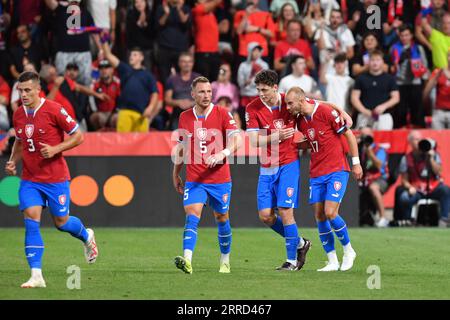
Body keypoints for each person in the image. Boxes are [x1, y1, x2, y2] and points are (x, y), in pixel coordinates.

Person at [4, 71, 98, 288]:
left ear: (38, 90)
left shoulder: (54, 109)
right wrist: (12, 161)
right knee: (31, 220)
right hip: (30, 178)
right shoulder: (18, 114)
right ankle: (36, 275)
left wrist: (56, 148)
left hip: (55, 178)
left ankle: (86, 235)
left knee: (62, 223)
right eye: (21, 90)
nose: (24, 94)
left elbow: (78, 136)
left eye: (28, 90)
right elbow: (19, 142)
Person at [285, 86, 362, 272]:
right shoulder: (300, 120)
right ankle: (332, 260)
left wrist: (356, 163)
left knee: (330, 212)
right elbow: (313, 141)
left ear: (301, 101)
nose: (288, 107)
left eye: (290, 103)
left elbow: (349, 135)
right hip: (316, 172)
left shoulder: (326, 112)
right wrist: (296, 145)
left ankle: (349, 250)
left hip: (337, 169)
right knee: (319, 216)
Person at [172, 76, 242, 274]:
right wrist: (176, 172)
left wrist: (222, 153)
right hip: (195, 179)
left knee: (221, 218)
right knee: (192, 215)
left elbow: (237, 140)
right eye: (202, 92)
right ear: (192, 94)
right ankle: (187, 260)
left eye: (209, 91)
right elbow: (182, 147)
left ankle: (225, 260)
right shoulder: (184, 117)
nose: (206, 95)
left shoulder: (222, 114)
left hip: (219, 179)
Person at [245, 69, 313, 271]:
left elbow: (312, 106)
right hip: (267, 167)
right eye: (258, 89)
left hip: (288, 164)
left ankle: (291, 261)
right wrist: (276, 136)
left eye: (264, 89)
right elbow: (253, 139)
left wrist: (340, 111)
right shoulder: (252, 108)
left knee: (285, 211)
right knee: (265, 216)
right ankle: (301, 243)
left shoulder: (289, 101)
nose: (261, 93)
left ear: (275, 87)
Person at [101, 35, 159, 132]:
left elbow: (155, 93)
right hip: (124, 112)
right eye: (131, 55)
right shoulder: (125, 69)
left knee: (142, 146)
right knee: (123, 144)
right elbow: (108, 55)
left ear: (141, 57)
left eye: (135, 55)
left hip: (141, 115)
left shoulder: (148, 75)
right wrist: (103, 39)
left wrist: (151, 107)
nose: (131, 57)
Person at [396, 130, 450, 227]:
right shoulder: (406, 158)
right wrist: (409, 188)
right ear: (410, 142)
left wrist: (431, 159)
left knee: (445, 190)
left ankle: (444, 219)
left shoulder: (432, 154)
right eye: (416, 139)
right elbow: (404, 179)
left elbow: (439, 172)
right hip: (416, 189)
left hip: (432, 187)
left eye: (420, 139)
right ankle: (408, 221)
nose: (419, 141)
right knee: (404, 197)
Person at [390, 24, 428, 128]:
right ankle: (399, 134)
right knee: (400, 112)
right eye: (402, 35)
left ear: (411, 35)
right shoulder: (394, 48)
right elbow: (390, 68)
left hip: (415, 83)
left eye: (407, 35)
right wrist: (399, 61)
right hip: (399, 83)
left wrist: (423, 81)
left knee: (417, 111)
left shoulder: (418, 48)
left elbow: (425, 67)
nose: (404, 38)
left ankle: (420, 133)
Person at [351, 50, 400, 130]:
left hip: (384, 116)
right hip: (364, 115)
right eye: (372, 60)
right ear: (368, 62)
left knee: (384, 141)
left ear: (382, 62)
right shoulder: (361, 78)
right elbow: (354, 98)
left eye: (378, 60)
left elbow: (396, 98)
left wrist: (384, 106)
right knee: (363, 141)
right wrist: (364, 111)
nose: (375, 63)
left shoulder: (390, 79)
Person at [358, 127, 390, 228]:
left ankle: (383, 218)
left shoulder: (379, 149)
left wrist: (370, 152)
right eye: (363, 135)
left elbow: (379, 166)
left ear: (372, 135)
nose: (366, 138)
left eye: (368, 135)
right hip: (364, 179)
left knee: (373, 188)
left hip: (380, 178)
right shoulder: (359, 149)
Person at [165, 52, 201, 130]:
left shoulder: (199, 79)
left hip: (196, 116)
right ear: (179, 63)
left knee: (197, 141)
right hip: (178, 116)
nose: (187, 64)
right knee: (178, 141)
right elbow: (167, 100)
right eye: (184, 62)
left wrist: (191, 103)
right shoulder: (172, 79)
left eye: (189, 62)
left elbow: (204, 97)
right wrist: (179, 103)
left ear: (193, 63)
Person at [90, 60, 121, 130]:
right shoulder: (95, 84)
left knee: (117, 118)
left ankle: (116, 138)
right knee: (96, 117)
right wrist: (95, 110)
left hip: (114, 113)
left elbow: (121, 99)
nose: (104, 70)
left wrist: (117, 111)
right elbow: (91, 98)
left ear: (112, 70)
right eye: (101, 68)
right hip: (101, 113)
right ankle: (98, 137)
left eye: (107, 68)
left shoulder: (118, 83)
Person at [423, 50, 450, 129]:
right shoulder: (439, 72)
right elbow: (425, 94)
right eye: (449, 56)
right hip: (438, 112)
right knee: (436, 139)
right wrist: (435, 77)